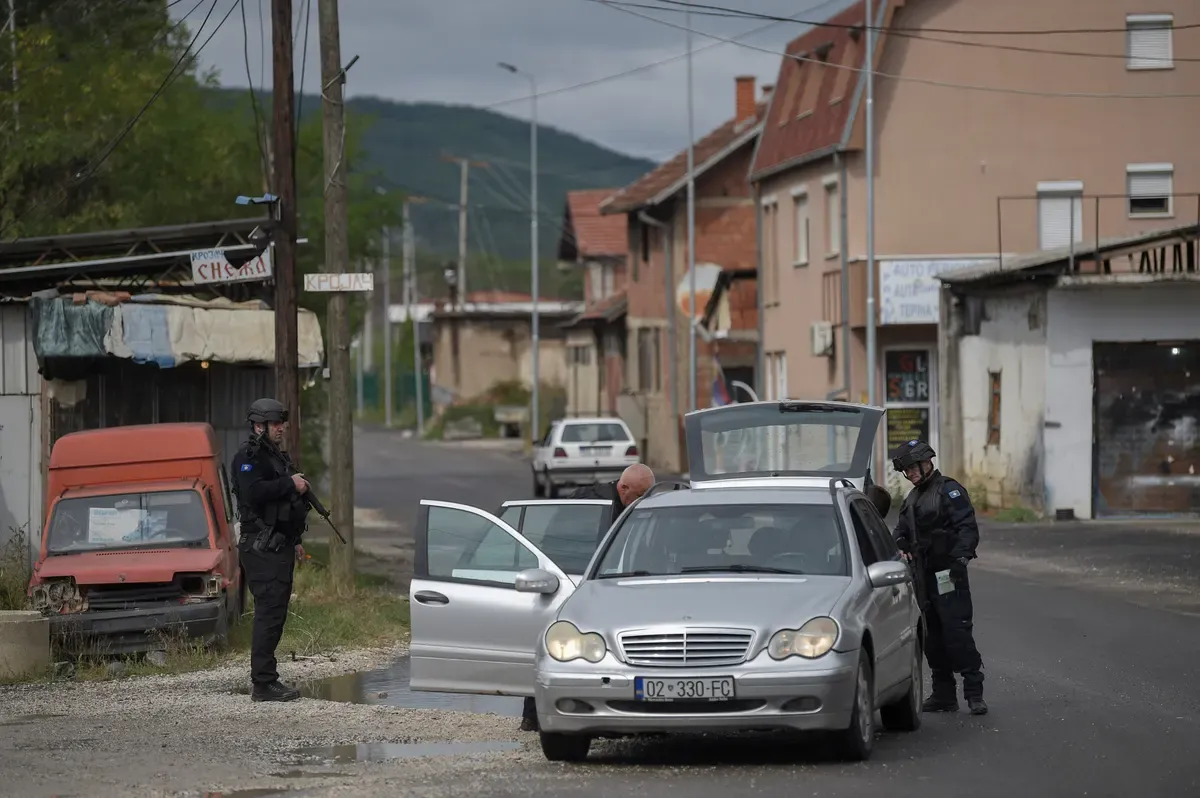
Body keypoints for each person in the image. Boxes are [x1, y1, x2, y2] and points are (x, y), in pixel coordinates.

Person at [519, 462, 657, 732]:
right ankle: (537, 715)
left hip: (598, 582)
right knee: (560, 651)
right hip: (573, 581)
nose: (643, 502)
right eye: (640, 496)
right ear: (623, 488)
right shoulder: (597, 507)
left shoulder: (620, 503)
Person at [889, 439, 988, 716]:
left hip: (948, 574)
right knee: (931, 638)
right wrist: (901, 542)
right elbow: (900, 531)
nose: (910, 474)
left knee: (957, 634)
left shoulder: (949, 490)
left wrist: (960, 559)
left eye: (913, 467)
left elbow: (967, 527)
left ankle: (974, 693)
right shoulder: (911, 499)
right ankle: (944, 695)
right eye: (906, 470)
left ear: (926, 462)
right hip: (922, 578)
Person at [230, 397, 311, 703]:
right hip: (261, 548)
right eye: (275, 424)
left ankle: (266, 679)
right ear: (259, 425)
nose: (281, 428)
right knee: (268, 613)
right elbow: (253, 493)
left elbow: (280, 507)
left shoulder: (274, 456)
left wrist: (296, 540)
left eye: (281, 423)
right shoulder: (248, 457)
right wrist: (290, 484)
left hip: (279, 545)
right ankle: (263, 683)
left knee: (276, 614)